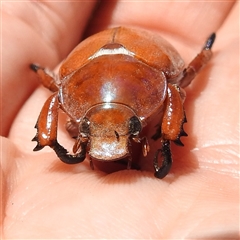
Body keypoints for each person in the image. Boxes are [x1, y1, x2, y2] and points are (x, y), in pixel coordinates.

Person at [1, 1, 239, 238]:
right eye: (87, 126)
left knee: (179, 84)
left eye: (131, 125)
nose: (108, 144)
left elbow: (175, 88)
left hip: (143, 53)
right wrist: (50, 140)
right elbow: (56, 97)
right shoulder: (68, 90)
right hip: (96, 59)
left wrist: (168, 138)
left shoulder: (163, 83)